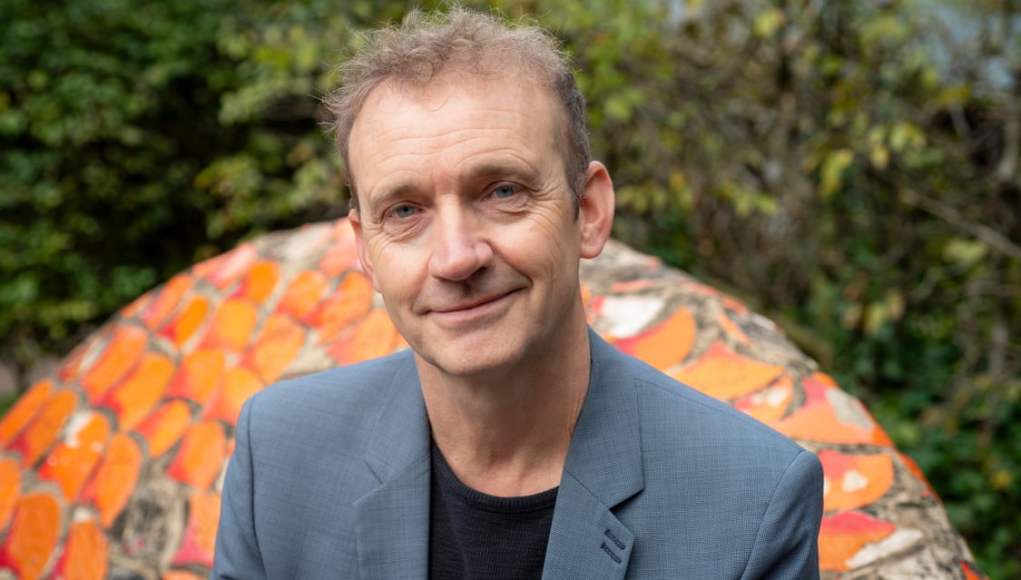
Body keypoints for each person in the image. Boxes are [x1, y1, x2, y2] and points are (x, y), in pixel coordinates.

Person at [213, 8, 823, 580]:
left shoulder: (752, 499)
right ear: (366, 249)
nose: (456, 257)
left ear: (588, 212)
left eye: (502, 191)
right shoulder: (281, 453)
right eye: (404, 210)